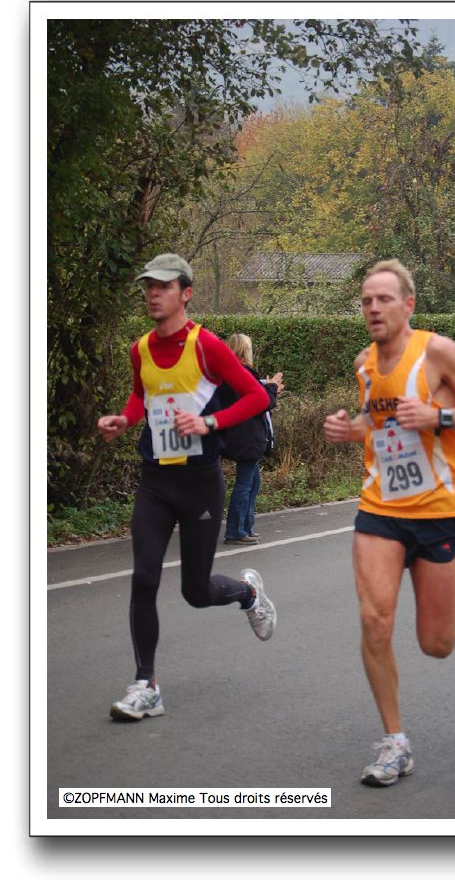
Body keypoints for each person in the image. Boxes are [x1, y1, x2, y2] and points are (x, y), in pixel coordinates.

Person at [323, 258, 455, 787]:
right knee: (374, 619)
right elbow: (377, 422)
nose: (373, 308)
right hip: (379, 508)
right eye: (366, 300)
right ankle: (395, 742)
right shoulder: (364, 363)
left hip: (438, 511)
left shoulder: (438, 352)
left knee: (436, 644)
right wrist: (351, 428)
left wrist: (438, 417)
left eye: (384, 299)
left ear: (408, 305)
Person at [97, 253, 277, 722]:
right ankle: (146, 685)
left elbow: (257, 397)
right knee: (144, 578)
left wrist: (209, 422)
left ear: (186, 293)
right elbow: (141, 396)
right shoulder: (140, 349)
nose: (153, 293)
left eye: (163, 286)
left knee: (195, 591)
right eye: (148, 287)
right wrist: (125, 420)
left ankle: (248, 594)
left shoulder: (207, 346)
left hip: (199, 482)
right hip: (156, 481)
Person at [219, 333, 284, 545]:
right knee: (245, 484)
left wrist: (269, 388)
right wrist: (272, 387)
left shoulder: (228, 373)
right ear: (245, 351)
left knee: (253, 481)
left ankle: (245, 527)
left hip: (238, 434)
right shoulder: (243, 373)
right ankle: (235, 531)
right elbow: (260, 402)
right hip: (246, 436)